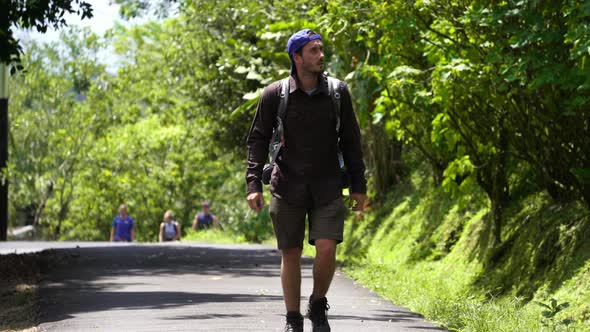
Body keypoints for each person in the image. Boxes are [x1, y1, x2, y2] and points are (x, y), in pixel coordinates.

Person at [245, 29, 367, 332]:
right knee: (291, 253)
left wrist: (358, 187)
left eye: (321, 49)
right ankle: (293, 318)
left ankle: (317, 304)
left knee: (327, 247)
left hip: (327, 187)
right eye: (313, 50)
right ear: (296, 57)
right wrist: (253, 185)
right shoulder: (275, 94)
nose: (321, 55)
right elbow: (258, 140)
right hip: (287, 186)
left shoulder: (338, 93)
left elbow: (352, 141)